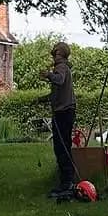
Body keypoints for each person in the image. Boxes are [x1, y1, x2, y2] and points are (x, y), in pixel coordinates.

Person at [42, 42, 77, 194]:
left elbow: (59, 80)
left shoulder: (61, 67)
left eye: (56, 53)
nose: (54, 56)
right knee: (64, 146)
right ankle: (67, 179)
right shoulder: (64, 67)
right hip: (66, 111)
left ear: (60, 54)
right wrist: (43, 99)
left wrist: (48, 75)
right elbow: (59, 91)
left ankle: (66, 182)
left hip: (63, 112)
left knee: (61, 147)